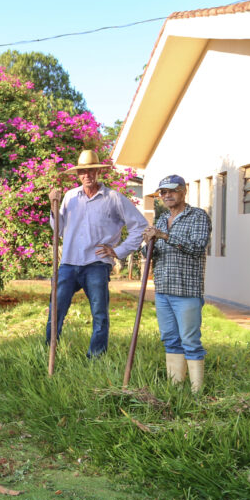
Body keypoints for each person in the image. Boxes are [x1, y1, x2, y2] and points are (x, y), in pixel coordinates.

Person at [47, 150, 147, 358]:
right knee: (56, 310)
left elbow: (140, 226)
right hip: (68, 263)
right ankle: (48, 352)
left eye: (91, 170)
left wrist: (118, 251)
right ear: (78, 174)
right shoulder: (69, 197)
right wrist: (53, 206)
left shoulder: (113, 198)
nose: (87, 175)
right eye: (83, 171)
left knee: (99, 314)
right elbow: (57, 229)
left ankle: (96, 357)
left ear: (98, 171)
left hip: (96, 264)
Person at [141, 175, 211, 392]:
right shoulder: (161, 219)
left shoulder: (197, 216)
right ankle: (176, 388)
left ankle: (197, 392)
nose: (167, 195)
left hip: (186, 291)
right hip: (163, 289)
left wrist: (163, 236)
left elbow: (198, 247)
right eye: (163, 192)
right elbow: (151, 254)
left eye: (172, 191)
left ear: (183, 191)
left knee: (190, 340)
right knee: (170, 339)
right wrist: (148, 243)